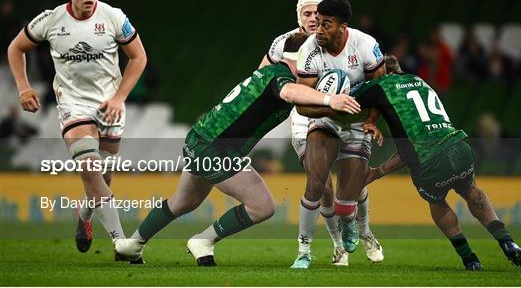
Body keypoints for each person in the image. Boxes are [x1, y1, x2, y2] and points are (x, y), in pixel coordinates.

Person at [114, 33, 361, 266]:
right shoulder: (280, 77)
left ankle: (132, 244)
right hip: (214, 148)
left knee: (184, 201)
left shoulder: (271, 72)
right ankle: (204, 240)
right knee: (262, 206)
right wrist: (331, 100)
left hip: (200, 139)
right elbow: (289, 92)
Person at [7, 0, 147, 256]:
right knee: (91, 170)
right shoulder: (50, 19)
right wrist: (24, 87)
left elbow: (138, 57)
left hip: (109, 105)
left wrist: (120, 98)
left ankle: (84, 215)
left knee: (102, 178)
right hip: (73, 105)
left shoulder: (114, 17)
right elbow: (15, 48)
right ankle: (121, 242)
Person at [355, 55, 521, 270]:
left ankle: (470, 259)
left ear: (382, 72)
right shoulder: (421, 82)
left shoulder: (381, 85)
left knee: (437, 202)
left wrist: (375, 172)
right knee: (471, 190)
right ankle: (507, 242)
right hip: (459, 148)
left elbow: (345, 101)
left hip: (430, 164)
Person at [259, 0, 350, 266]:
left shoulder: (337, 39)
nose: (312, 19)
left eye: (316, 14)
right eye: (307, 14)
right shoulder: (284, 42)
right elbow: (261, 74)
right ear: (298, 15)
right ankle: (329, 247)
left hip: (335, 112)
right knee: (319, 179)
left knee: (343, 181)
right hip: (302, 116)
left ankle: (356, 237)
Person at [293, 0, 385, 268]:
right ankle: (303, 251)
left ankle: (352, 224)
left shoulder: (365, 44)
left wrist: (371, 120)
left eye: (326, 25)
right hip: (324, 118)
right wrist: (331, 107)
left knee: (346, 203)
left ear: (343, 27)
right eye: (317, 23)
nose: (319, 30)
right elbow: (302, 104)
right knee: (316, 183)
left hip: (357, 121)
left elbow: (381, 88)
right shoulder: (309, 49)